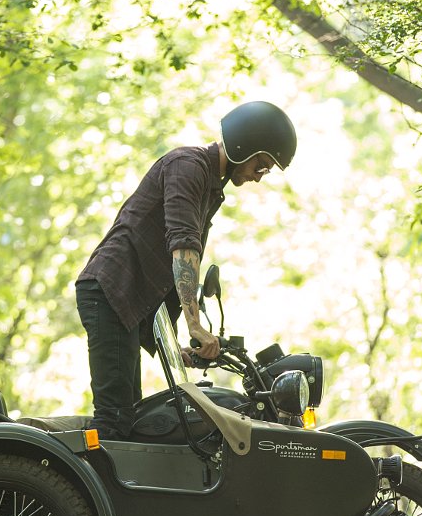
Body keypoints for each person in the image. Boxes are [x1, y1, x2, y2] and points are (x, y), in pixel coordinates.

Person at [75, 101, 298, 440]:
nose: (258, 176)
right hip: (110, 291)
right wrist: (195, 324)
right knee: (114, 421)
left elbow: (161, 272)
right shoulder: (188, 167)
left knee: (132, 421)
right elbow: (182, 248)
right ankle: (66, 491)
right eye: (261, 164)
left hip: (127, 302)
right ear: (244, 145)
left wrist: (175, 345)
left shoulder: (209, 185)